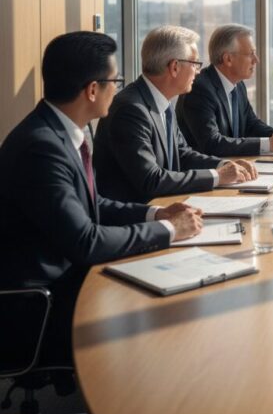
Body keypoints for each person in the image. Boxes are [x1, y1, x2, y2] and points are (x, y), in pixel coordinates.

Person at [0, 32, 203, 364]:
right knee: (168, 317)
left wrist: (157, 215)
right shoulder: (41, 147)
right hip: (39, 304)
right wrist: (170, 230)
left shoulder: (62, 132)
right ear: (92, 89)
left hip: (68, 280)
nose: (119, 89)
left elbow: (95, 206)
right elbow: (86, 241)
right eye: (115, 80)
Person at [94, 25, 255, 203]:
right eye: (194, 64)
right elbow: (152, 179)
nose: (198, 71)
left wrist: (222, 165)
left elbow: (182, 154)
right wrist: (217, 176)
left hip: (168, 206)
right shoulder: (131, 110)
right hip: (137, 219)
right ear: (175, 67)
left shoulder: (162, 100)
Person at [177, 24, 273, 156]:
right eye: (251, 54)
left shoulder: (238, 85)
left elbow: (250, 124)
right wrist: (270, 144)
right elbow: (212, 143)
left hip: (236, 166)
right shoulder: (199, 89)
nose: (256, 60)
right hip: (210, 171)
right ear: (228, 59)